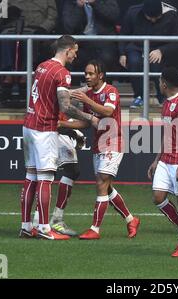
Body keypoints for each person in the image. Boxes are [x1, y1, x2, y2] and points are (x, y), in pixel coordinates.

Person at [19, 35, 98, 240]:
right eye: (75, 51)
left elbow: (50, 94)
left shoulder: (42, 66)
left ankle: (27, 226)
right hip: (44, 129)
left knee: (30, 177)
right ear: (68, 49)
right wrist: (89, 117)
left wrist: (77, 92)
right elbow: (64, 107)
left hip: (29, 125)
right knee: (46, 178)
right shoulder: (63, 73)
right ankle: (45, 228)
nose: (76, 55)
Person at [69, 60, 141, 240]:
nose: (87, 76)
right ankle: (131, 219)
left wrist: (85, 99)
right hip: (98, 144)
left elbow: (108, 112)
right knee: (107, 188)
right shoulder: (90, 95)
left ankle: (95, 229)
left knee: (101, 183)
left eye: (91, 74)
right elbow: (87, 122)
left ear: (100, 75)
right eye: (86, 73)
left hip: (114, 142)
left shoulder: (111, 92)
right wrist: (62, 124)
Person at [147, 67, 178, 257]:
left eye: (160, 80)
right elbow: (167, 134)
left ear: (165, 83)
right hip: (166, 159)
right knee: (158, 197)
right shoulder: (167, 103)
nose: (158, 83)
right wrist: (156, 159)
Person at [119, 0, 178, 108]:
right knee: (134, 62)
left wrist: (162, 51)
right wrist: (122, 53)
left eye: (156, 18)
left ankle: (163, 98)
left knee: (156, 67)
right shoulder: (133, 12)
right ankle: (139, 97)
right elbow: (123, 34)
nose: (153, 20)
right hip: (136, 47)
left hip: (158, 48)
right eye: (150, 17)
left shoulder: (171, 14)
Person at [0, 0, 57, 87]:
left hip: (36, 29)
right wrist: (5, 12)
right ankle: (8, 72)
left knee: (31, 39)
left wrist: (44, 28)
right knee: (6, 36)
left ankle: (26, 73)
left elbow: (52, 17)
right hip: (13, 28)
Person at [61, 0, 120, 73]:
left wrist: (95, 3)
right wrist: (79, 7)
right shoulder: (72, 2)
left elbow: (114, 16)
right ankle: (74, 84)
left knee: (107, 57)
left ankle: (103, 84)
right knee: (67, 56)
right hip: (81, 43)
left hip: (103, 41)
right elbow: (69, 26)